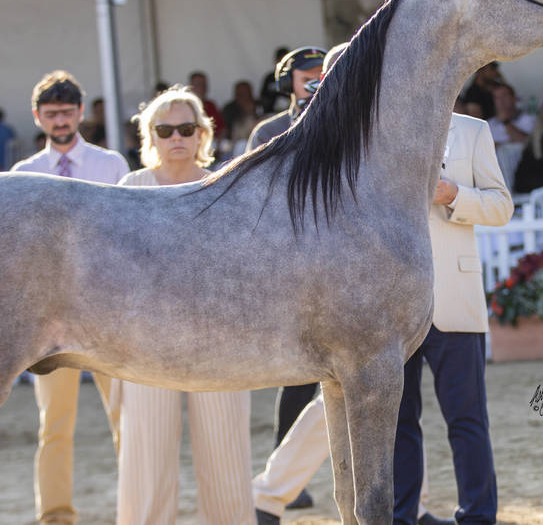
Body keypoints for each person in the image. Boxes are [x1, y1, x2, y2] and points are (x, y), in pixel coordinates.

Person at [252, 113, 514, 525]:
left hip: (454, 300)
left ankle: (479, 516)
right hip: (390, 307)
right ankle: (401, 517)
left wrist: (453, 195)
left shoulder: (474, 131)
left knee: (467, 420)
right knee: (398, 423)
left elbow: (501, 206)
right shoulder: (377, 126)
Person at [115, 86, 254, 525]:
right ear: (150, 136)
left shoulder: (228, 181)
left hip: (219, 337)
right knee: (146, 457)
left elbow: (246, 260)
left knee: (227, 453)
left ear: (202, 134)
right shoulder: (131, 187)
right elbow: (114, 267)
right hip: (146, 341)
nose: (177, 136)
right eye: (165, 129)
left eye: (186, 128)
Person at [12, 70, 129, 525]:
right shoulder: (22, 176)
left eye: (66, 112)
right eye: (51, 113)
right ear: (38, 117)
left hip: (107, 314)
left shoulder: (112, 166)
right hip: (48, 321)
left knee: (125, 418)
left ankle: (134, 507)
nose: (59, 120)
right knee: (53, 425)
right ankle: (55, 515)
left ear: (81, 113)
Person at [245, 44, 327, 511]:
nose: (315, 78)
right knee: (297, 378)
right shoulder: (269, 131)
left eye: (321, 71)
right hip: (288, 262)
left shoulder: (347, 118)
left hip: (337, 261)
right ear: (286, 83)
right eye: (306, 73)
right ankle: (284, 479)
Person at [221, 79, 261, 148]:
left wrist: (251, 112)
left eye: (245, 93)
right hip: (234, 143)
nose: (243, 96)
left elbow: (263, 123)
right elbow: (225, 128)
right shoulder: (229, 108)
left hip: (255, 141)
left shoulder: (258, 104)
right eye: (240, 94)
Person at [188, 71, 225, 140]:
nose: (201, 88)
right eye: (198, 84)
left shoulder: (211, 105)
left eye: (203, 84)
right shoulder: (184, 106)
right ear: (191, 87)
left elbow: (222, 129)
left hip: (211, 142)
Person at [259, 46, 291, 115]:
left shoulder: (293, 76)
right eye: (280, 60)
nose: (283, 64)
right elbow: (263, 97)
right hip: (272, 114)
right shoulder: (270, 78)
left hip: (289, 113)